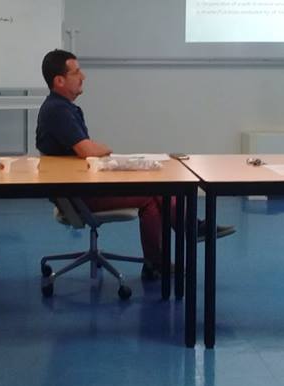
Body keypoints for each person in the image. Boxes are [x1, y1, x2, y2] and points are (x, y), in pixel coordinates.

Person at [35, 49, 235, 280]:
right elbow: (87, 150)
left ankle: (159, 259)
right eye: (76, 72)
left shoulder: (63, 107)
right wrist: (106, 148)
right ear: (59, 81)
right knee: (153, 194)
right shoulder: (58, 110)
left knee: (155, 197)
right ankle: (187, 233)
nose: (83, 76)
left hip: (77, 186)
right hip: (78, 194)